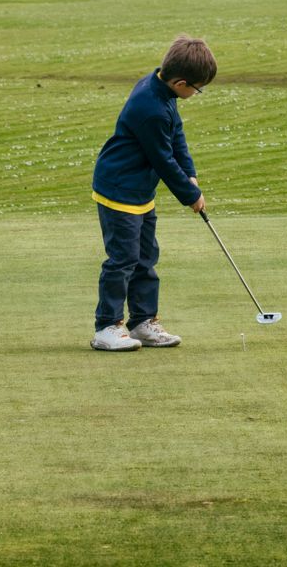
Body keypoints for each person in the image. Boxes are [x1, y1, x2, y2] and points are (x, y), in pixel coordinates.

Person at [89, 36, 216, 351]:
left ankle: (143, 322)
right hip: (119, 189)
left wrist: (192, 175)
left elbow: (177, 136)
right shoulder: (151, 108)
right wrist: (190, 195)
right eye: (197, 89)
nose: (196, 94)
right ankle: (107, 327)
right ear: (181, 82)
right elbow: (163, 160)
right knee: (123, 260)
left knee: (145, 258)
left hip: (140, 191)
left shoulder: (162, 89)